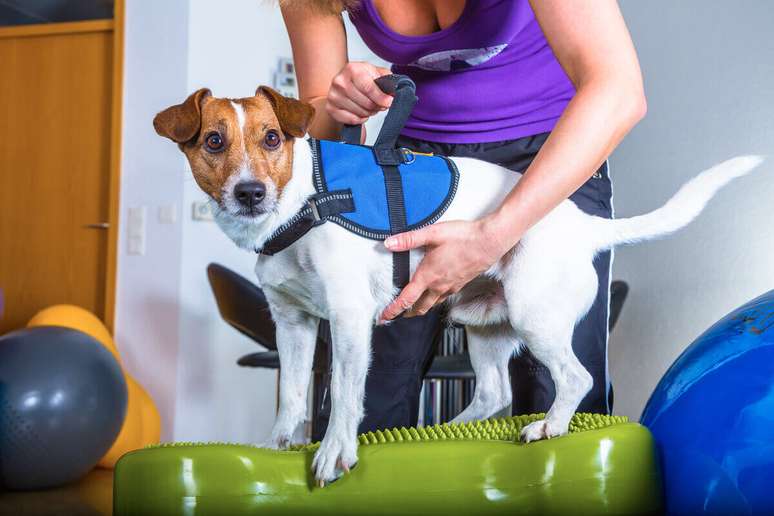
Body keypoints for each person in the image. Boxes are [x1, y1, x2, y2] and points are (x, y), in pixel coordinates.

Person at [280, 0, 646, 439]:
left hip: (549, 159)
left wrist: (491, 238)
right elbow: (319, 127)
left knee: (558, 405)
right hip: (419, 166)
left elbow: (619, 90)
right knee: (366, 399)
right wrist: (340, 103)